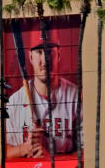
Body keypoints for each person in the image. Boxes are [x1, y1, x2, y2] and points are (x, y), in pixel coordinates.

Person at [6, 28, 82, 157]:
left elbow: (88, 151)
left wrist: (52, 161)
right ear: (30, 57)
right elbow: (3, 152)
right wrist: (22, 149)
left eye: (49, 52)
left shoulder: (75, 97)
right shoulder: (15, 101)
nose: (45, 60)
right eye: (39, 52)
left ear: (59, 55)